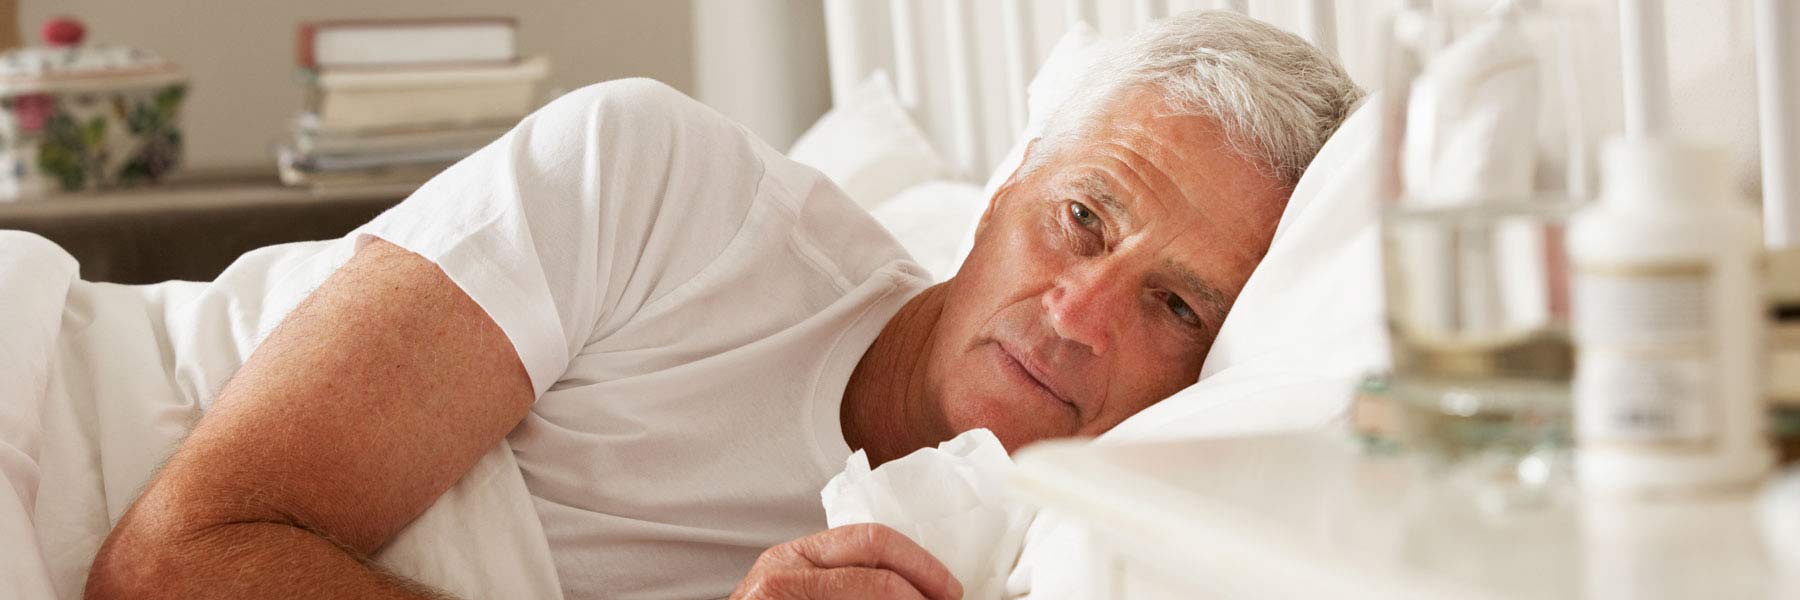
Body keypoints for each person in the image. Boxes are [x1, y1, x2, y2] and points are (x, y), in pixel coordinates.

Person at [84, 10, 1360, 600]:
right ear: (998, 191)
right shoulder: (654, 182)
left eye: (1179, 308)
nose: (1080, 314)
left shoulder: (1041, 564)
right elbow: (174, 558)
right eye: (1079, 217)